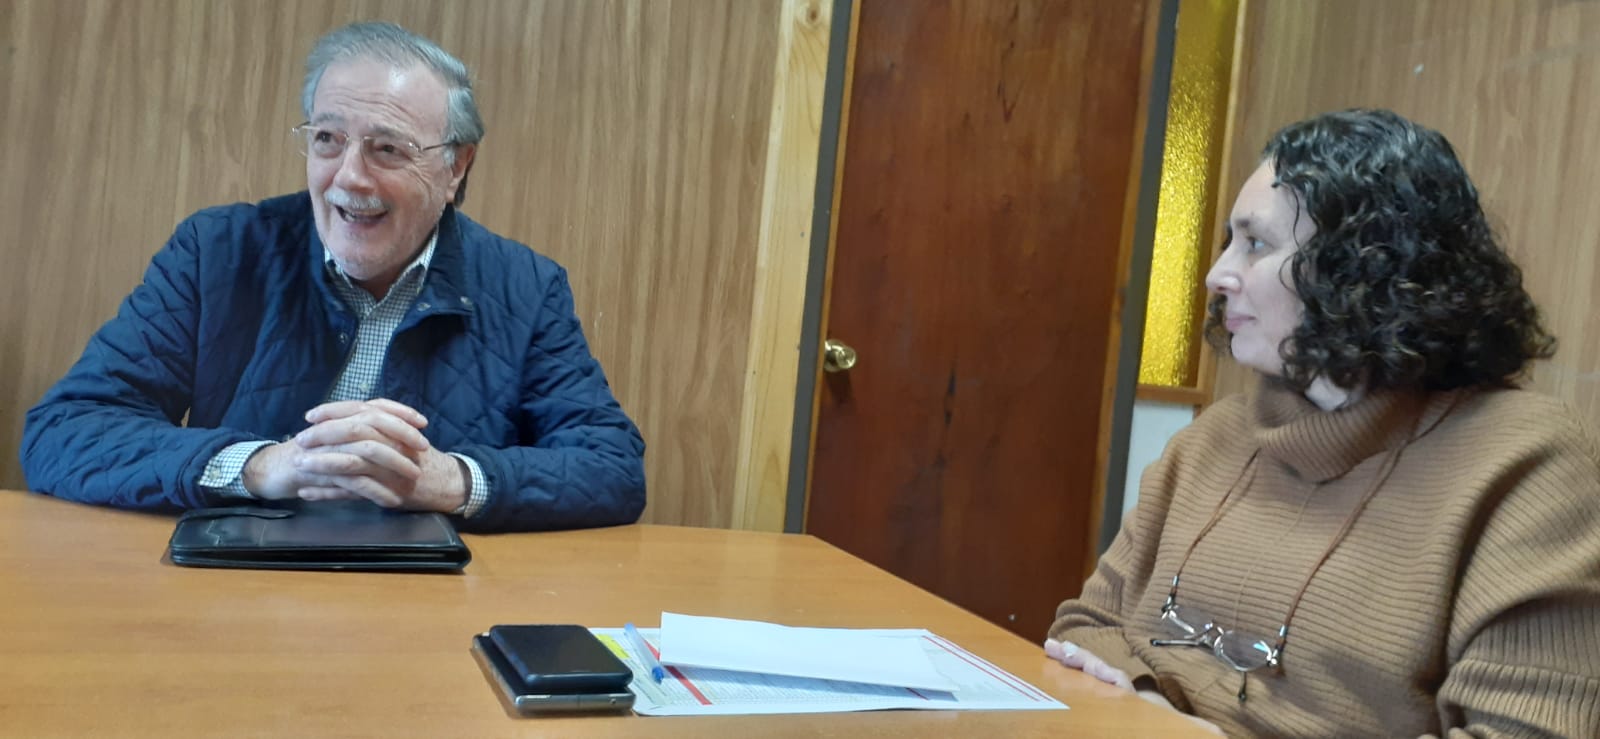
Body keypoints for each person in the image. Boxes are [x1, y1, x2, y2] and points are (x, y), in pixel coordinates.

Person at [1045, 109, 1600, 737]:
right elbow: (1086, 627)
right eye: (1229, 241)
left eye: (1255, 244)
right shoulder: (1211, 440)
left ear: (1366, 266)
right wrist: (1151, 708)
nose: (1216, 275)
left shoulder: (1531, 466)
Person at [20, 22, 646, 533]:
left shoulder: (525, 286)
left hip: (432, 601)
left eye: (388, 148)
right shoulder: (217, 252)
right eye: (327, 139)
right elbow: (64, 431)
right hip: (236, 588)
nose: (348, 177)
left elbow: (612, 467)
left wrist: (448, 480)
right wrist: (261, 466)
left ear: (456, 166)